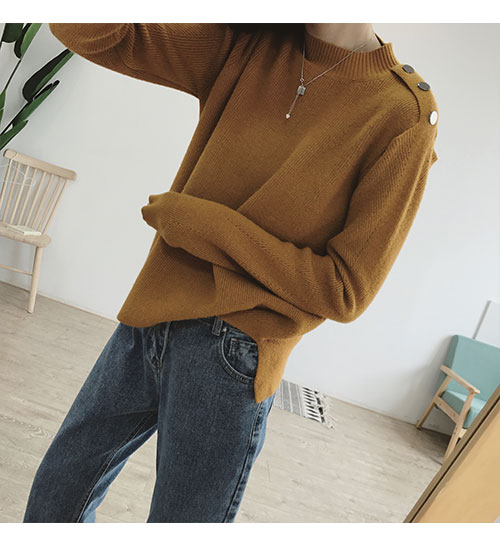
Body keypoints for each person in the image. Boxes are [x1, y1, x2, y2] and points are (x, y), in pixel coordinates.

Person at [23, 22, 439, 523]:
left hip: (236, 350)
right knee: (57, 493)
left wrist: (206, 226)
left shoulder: (403, 113)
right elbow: (90, 32)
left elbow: (345, 289)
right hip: (151, 317)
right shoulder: (247, 42)